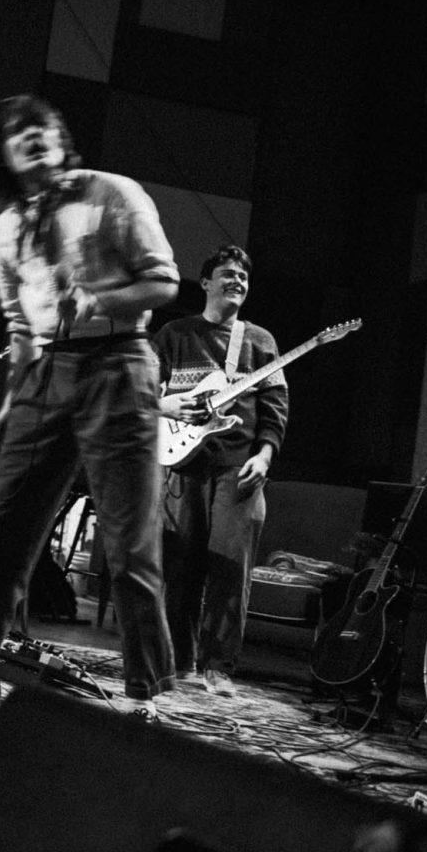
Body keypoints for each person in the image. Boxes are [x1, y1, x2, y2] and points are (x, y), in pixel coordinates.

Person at [0, 93, 179, 717]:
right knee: (3, 527)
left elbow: (163, 282)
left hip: (119, 361)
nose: (32, 137)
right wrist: (12, 397)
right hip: (45, 374)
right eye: (17, 132)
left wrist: (102, 300)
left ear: (61, 139)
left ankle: (144, 695)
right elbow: (18, 328)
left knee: (129, 539)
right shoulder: (2, 230)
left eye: (43, 127)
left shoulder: (113, 193)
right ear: (1, 153)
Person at [153, 245, 288, 696]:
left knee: (230, 569)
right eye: (227, 274)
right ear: (206, 282)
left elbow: (276, 407)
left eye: (244, 278)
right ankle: (179, 661)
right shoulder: (174, 334)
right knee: (181, 568)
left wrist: (265, 454)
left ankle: (218, 667)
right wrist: (164, 404)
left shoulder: (259, 341)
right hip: (183, 466)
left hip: (238, 468)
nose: (237, 282)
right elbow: (141, 391)